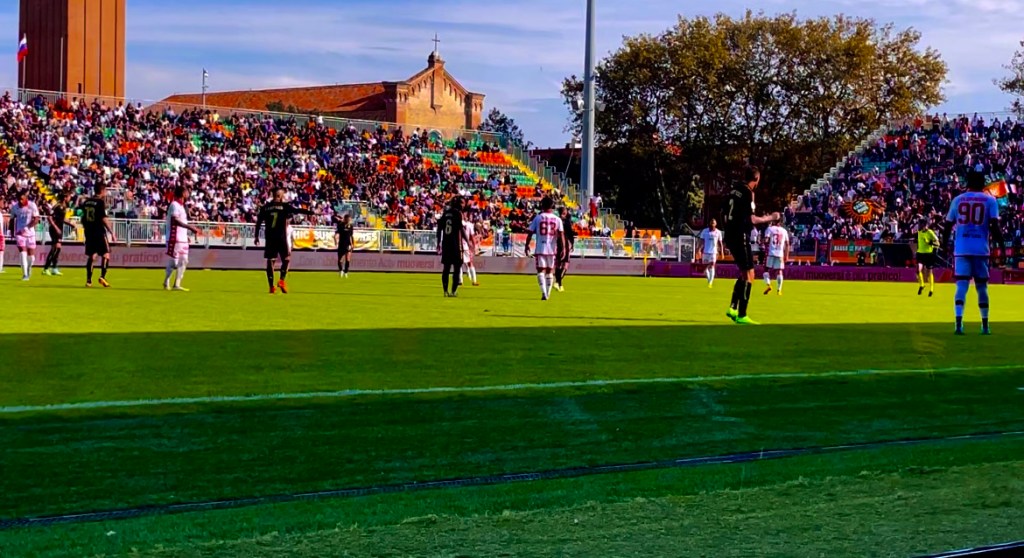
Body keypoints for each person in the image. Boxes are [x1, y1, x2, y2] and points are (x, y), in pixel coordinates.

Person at [943, 170, 1003, 335]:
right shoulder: (990, 200)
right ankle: (984, 325)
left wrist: (943, 244)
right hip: (981, 249)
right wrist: (1001, 246)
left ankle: (958, 323)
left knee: (961, 286)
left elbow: (948, 225)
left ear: (967, 183)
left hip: (962, 248)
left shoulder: (957, 200)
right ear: (983, 183)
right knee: (982, 287)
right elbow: (994, 226)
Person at [722, 166, 780, 324]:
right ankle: (742, 314)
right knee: (750, 275)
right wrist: (771, 217)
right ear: (756, 179)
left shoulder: (733, 190)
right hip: (741, 235)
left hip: (730, 234)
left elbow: (725, 213)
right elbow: (752, 219)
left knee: (743, 273)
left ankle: (733, 307)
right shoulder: (748, 193)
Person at [254, 187, 315, 294]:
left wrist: (256, 237)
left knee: (270, 261)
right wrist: (310, 212)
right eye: (283, 195)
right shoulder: (284, 206)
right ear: (279, 196)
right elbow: (297, 210)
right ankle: (281, 280)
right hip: (281, 237)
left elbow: (258, 222)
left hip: (270, 238)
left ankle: (271, 287)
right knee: (286, 259)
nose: (284, 197)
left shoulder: (265, 207)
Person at [525, 196, 564, 301]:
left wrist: (526, 245)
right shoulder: (558, 219)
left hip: (540, 248)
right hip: (552, 249)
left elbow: (530, 232)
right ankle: (548, 293)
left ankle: (544, 293)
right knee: (550, 271)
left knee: (540, 271)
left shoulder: (538, 218)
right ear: (552, 206)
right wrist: (563, 248)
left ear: (542, 205)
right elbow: (561, 235)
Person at [164, 185, 200, 291]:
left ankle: (177, 284)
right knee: (174, 261)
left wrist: (186, 235)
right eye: (186, 192)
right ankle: (166, 280)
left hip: (182, 238)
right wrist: (190, 227)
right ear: (182, 193)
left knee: (184, 260)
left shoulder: (182, 206)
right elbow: (175, 221)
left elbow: (182, 221)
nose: (188, 194)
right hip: (174, 237)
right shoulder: (174, 205)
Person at [80, 183, 114, 288]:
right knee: (106, 254)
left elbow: (83, 218)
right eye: (105, 191)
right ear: (102, 191)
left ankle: (89, 280)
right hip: (99, 231)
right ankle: (102, 277)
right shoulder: (100, 202)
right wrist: (112, 232)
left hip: (89, 232)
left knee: (92, 255)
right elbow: (103, 218)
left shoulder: (86, 202)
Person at [9, 191, 41, 281]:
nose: (20, 201)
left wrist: (27, 227)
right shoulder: (15, 207)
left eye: (22, 199)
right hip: (20, 233)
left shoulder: (32, 205)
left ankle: (29, 268)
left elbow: (36, 219)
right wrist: (12, 231)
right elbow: (12, 219)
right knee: (23, 253)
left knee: (31, 257)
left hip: (30, 233)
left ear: (26, 198)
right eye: (19, 199)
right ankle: (25, 275)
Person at [436, 197, 464, 297]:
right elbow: (461, 229)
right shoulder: (457, 214)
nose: (463, 205)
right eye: (462, 203)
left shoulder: (445, 214)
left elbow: (439, 229)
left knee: (446, 268)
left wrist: (438, 243)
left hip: (446, 244)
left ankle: (445, 291)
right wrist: (467, 242)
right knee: (457, 268)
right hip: (455, 244)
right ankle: (453, 291)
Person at [42, 191, 71, 276]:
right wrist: (56, 227)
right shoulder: (57, 206)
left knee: (57, 248)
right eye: (69, 197)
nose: (70, 199)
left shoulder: (63, 207)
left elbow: (62, 219)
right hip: (54, 229)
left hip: (59, 229)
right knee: (56, 248)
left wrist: (71, 224)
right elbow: (49, 217)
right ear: (65, 198)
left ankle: (54, 268)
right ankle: (46, 268)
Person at [763, 219, 790, 296]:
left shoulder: (770, 229)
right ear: (781, 222)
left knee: (766, 269)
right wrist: (786, 255)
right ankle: (779, 290)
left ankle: (768, 285)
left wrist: (764, 241)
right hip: (780, 253)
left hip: (770, 252)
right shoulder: (784, 231)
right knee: (779, 271)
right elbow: (787, 244)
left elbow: (766, 240)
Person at [915, 217, 940, 297]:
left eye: (921, 224)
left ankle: (931, 289)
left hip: (928, 254)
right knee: (918, 269)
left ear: (925, 225)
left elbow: (937, 242)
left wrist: (930, 242)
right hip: (920, 253)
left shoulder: (930, 232)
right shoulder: (919, 232)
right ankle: (922, 285)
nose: (920, 225)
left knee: (929, 272)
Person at [697, 219, 724, 288]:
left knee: (712, 266)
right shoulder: (704, 231)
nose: (712, 224)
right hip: (705, 252)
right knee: (705, 269)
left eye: (713, 223)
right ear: (709, 223)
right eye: (711, 222)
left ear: (716, 224)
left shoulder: (718, 232)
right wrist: (698, 250)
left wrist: (722, 252)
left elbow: (720, 243)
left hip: (714, 252)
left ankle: (711, 282)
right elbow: (701, 241)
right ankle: (709, 280)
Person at [555, 207, 575, 292]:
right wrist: (572, 243)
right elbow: (570, 233)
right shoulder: (566, 221)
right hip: (565, 243)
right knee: (565, 263)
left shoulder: (556, 220)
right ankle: (558, 282)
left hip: (556, 242)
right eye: (566, 211)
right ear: (564, 212)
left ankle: (558, 283)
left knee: (558, 263)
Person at [461, 212, 479, 287]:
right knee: (470, 263)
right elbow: (472, 237)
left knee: (458, 264)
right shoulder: (469, 225)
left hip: (458, 246)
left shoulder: (456, 223)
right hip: (465, 246)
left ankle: (460, 281)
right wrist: (475, 247)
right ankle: (474, 281)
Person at [334, 213, 354, 278]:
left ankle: (346, 272)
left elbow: (350, 236)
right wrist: (336, 241)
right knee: (340, 260)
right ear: (345, 219)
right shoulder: (340, 225)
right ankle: (341, 270)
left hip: (348, 244)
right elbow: (337, 234)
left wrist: (352, 244)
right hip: (341, 244)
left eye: (350, 219)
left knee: (348, 259)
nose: (349, 221)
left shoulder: (350, 226)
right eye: (348, 219)